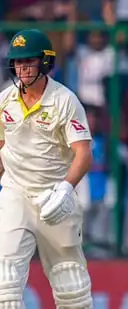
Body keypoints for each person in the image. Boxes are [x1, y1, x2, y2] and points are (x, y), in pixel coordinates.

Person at [0, 29, 93, 308]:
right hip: (16, 193)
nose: (23, 68)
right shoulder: (4, 100)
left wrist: (66, 188)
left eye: (29, 61)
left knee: (71, 287)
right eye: (17, 62)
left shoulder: (65, 100)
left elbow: (84, 153)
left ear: (44, 62)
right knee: (6, 279)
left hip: (55, 197)